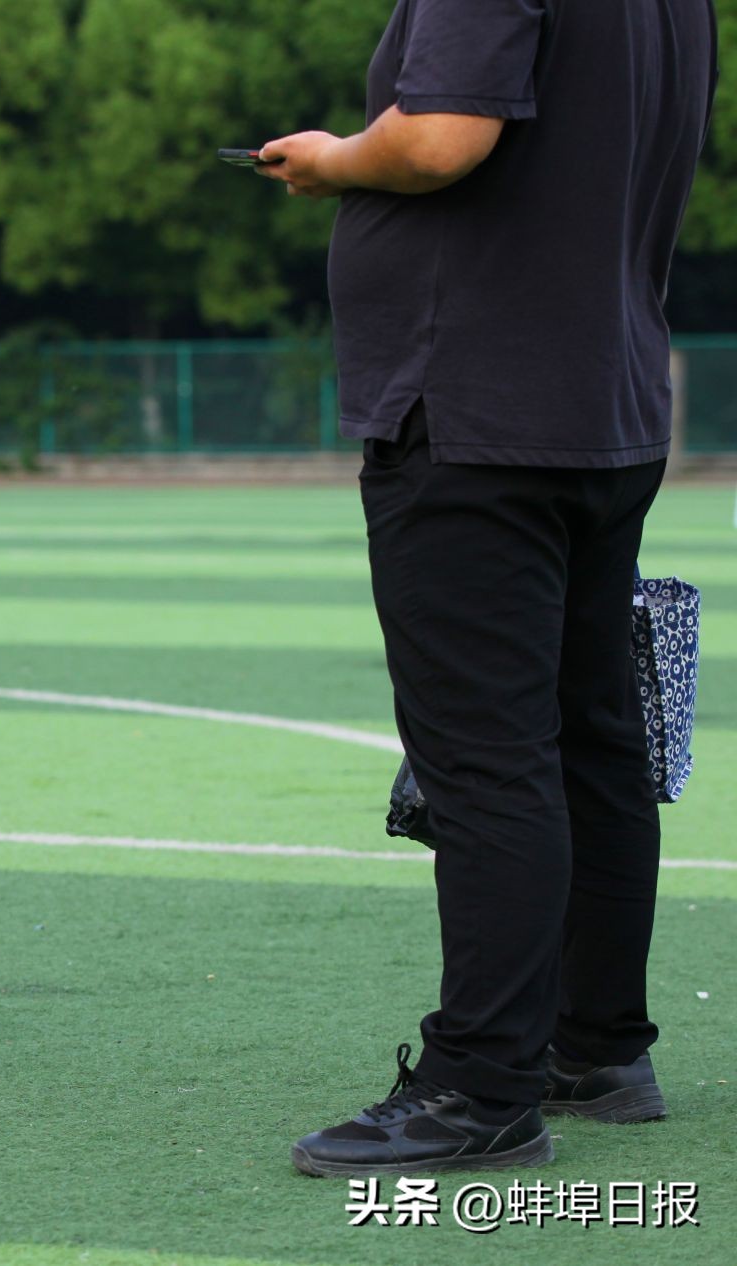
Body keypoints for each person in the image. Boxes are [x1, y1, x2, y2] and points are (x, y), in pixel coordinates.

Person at [256, 0, 716, 1176]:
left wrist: (333, 160)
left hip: (477, 405)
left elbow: (439, 138)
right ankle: (597, 1047)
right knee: (589, 740)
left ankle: (482, 1088)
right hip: (600, 399)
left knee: (490, 759)